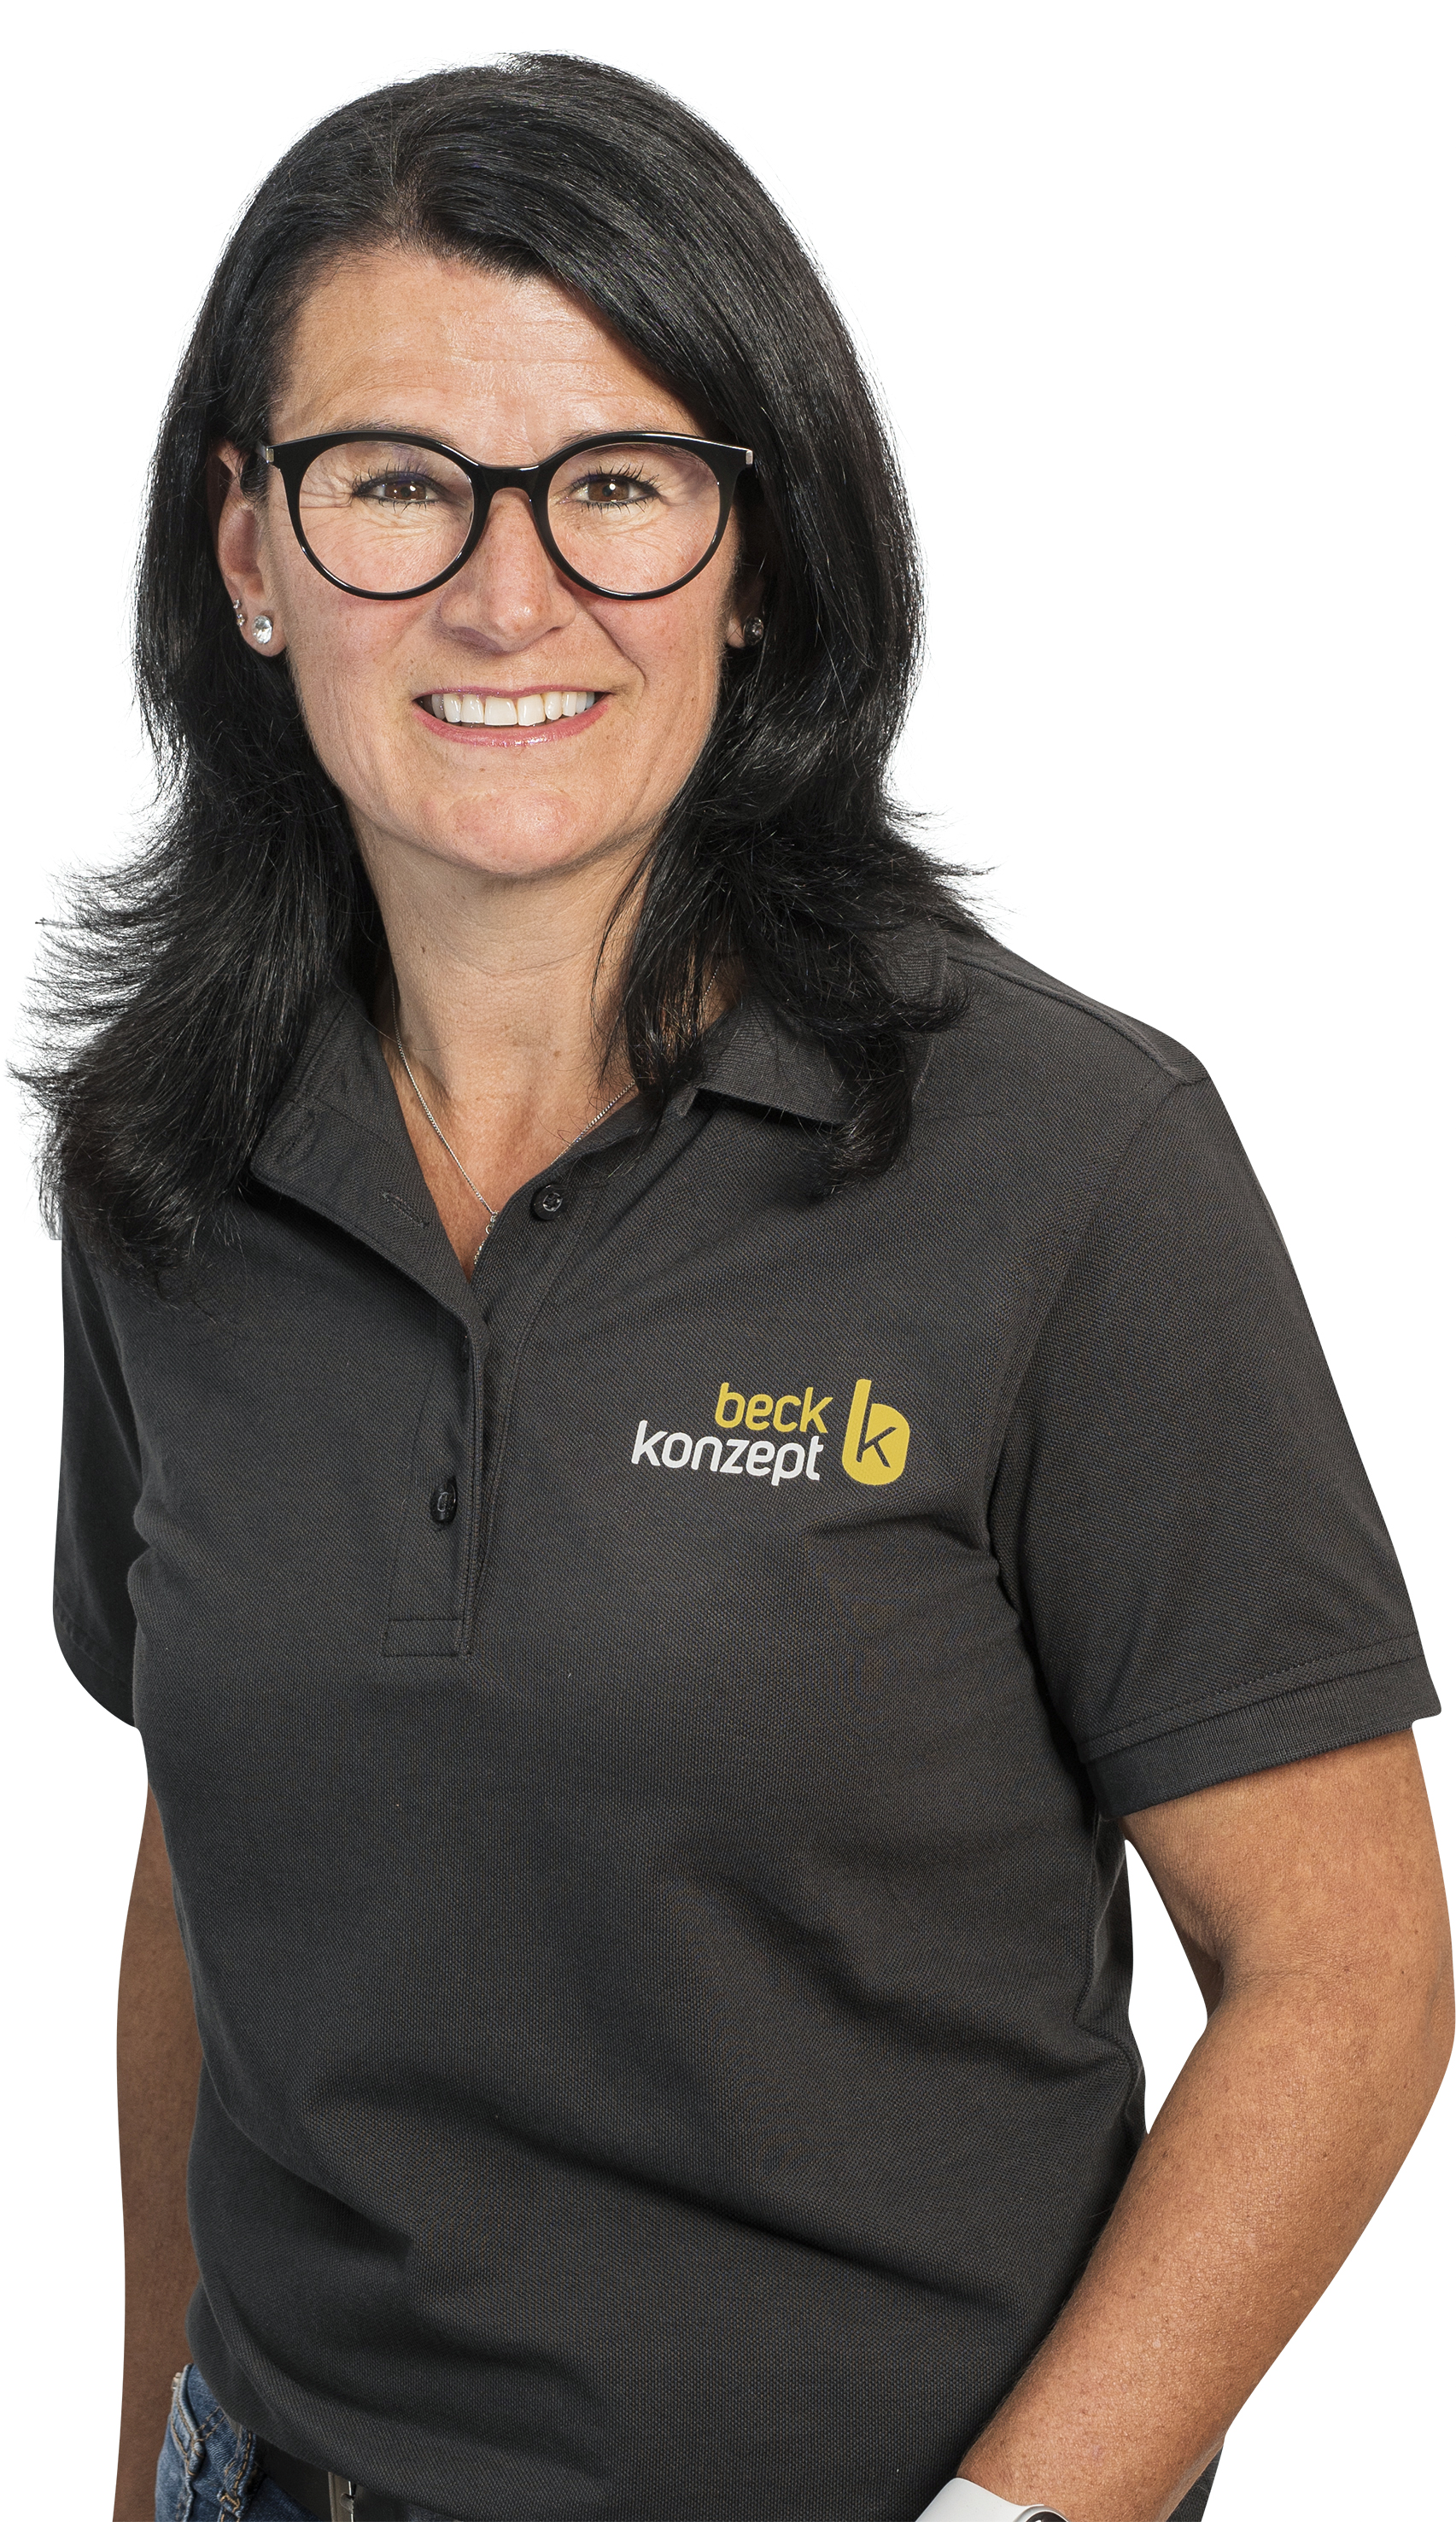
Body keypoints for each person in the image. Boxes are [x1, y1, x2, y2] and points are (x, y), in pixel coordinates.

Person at [32, 55, 1448, 2522]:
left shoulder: (1071, 1163)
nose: (507, 596)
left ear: (757, 557)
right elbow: (212, 1852)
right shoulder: (167, 1156)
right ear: (248, 551)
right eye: (396, 483)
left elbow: (1345, 1974)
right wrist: (129, 2450)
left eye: (618, 484)